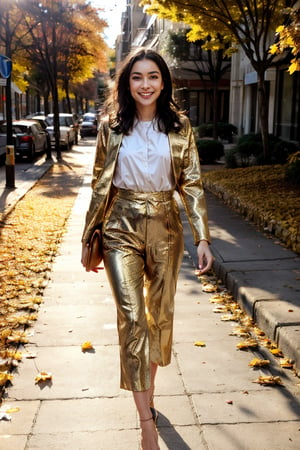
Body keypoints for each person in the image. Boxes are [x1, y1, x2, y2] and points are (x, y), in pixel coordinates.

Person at [81, 47, 214, 450]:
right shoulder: (111, 127)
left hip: (165, 227)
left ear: (163, 81)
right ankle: (146, 422)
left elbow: (191, 183)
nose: (145, 84)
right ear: (127, 83)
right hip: (120, 223)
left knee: (159, 320)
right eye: (136, 77)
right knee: (132, 317)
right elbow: (100, 183)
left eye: (152, 76)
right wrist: (91, 235)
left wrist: (202, 236)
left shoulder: (179, 127)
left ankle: (148, 395)